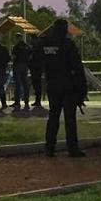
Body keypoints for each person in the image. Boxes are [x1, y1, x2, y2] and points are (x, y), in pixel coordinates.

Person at [41, 19, 87, 157]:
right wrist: (82, 90)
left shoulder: (45, 45)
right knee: (69, 119)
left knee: (53, 117)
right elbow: (77, 68)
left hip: (52, 85)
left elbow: (39, 62)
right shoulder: (68, 45)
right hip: (68, 86)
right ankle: (72, 148)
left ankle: (49, 148)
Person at [10, 34, 32, 110]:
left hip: (18, 66)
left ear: (17, 38)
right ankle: (26, 101)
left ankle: (17, 102)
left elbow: (13, 57)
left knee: (18, 84)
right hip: (25, 66)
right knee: (25, 84)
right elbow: (30, 56)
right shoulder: (27, 46)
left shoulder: (16, 47)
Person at [28, 33, 44, 108]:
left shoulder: (37, 47)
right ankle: (37, 100)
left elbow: (33, 57)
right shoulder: (37, 46)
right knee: (36, 84)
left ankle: (38, 101)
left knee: (37, 84)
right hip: (36, 67)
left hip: (36, 68)